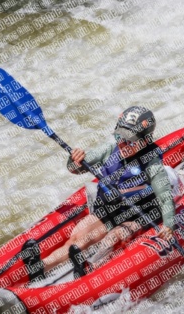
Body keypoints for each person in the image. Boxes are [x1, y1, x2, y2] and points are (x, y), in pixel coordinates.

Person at [40, 106, 176, 278]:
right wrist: (74, 160)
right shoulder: (111, 147)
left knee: (114, 237)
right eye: (120, 137)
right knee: (77, 239)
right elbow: (76, 168)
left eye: (130, 141)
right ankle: (40, 267)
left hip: (139, 214)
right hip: (109, 209)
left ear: (145, 141)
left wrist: (169, 226)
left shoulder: (152, 163)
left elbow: (165, 197)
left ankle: (89, 271)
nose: (123, 143)